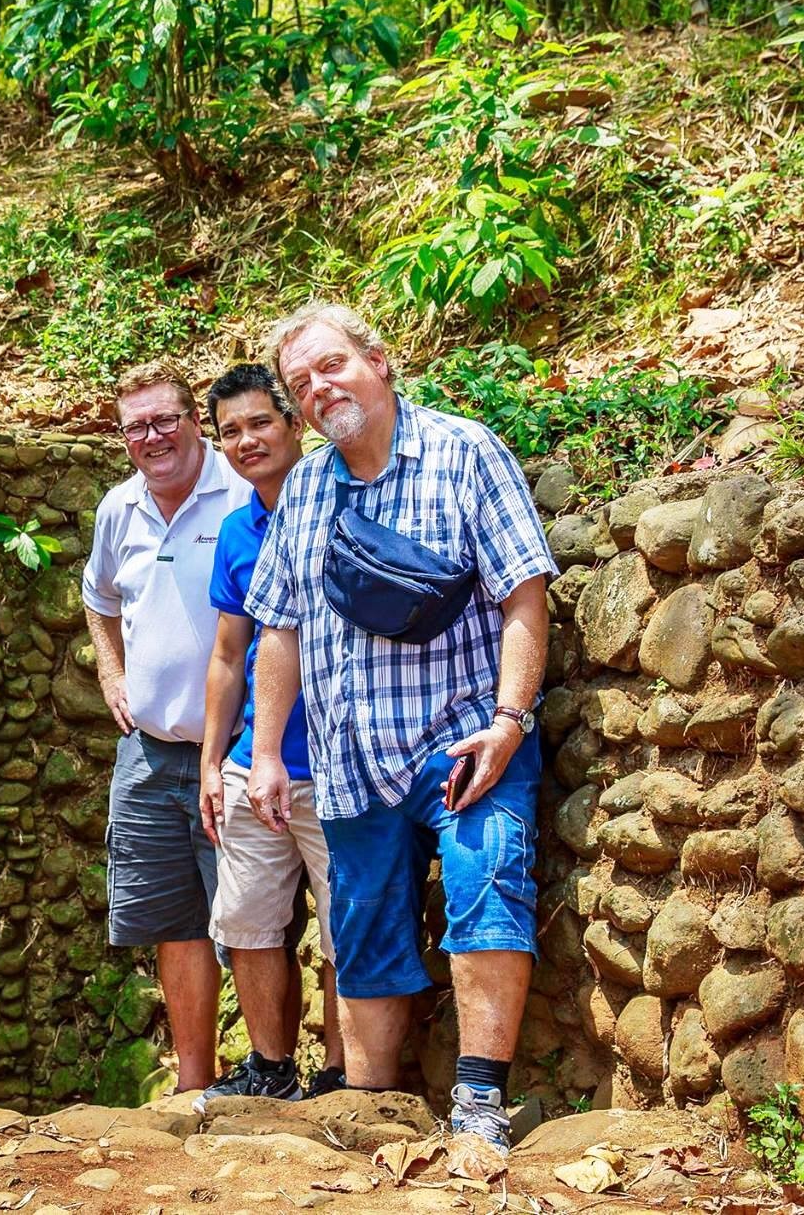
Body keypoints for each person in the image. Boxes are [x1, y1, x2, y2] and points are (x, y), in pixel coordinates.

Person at [243, 300, 555, 1153]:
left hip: (461, 739)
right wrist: (267, 749)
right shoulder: (306, 485)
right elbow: (280, 627)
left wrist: (508, 719)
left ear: (379, 360)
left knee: (487, 879)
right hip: (348, 765)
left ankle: (480, 1103)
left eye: (331, 365)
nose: (318, 389)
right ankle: (374, 1113)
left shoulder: (463, 452)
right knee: (366, 932)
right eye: (301, 382)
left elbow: (524, 592)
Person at [81, 360, 252, 1095]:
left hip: (238, 752)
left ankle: (276, 1073)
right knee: (175, 922)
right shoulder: (120, 509)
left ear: (194, 419)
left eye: (164, 419)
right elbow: (98, 598)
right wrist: (111, 675)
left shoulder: (245, 494)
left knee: (252, 918)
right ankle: (194, 1084)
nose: (152, 437)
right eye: (135, 427)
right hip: (148, 756)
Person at [194, 364, 345, 1109]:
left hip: (343, 761)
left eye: (260, 422)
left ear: (293, 423)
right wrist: (210, 761)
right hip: (258, 764)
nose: (247, 439)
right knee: (249, 920)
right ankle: (269, 1064)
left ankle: (344, 1071)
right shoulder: (235, 531)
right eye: (230, 430)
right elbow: (228, 656)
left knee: (343, 924)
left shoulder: (348, 501)